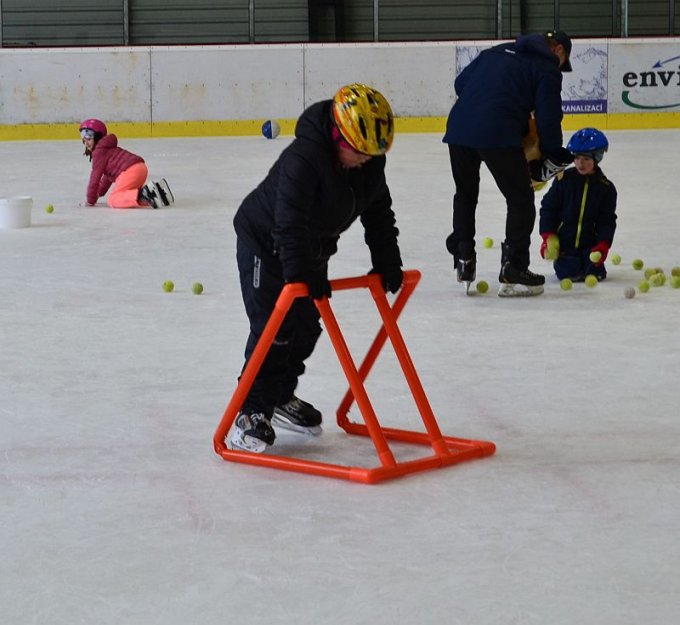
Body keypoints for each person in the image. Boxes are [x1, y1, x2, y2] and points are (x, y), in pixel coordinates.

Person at [229, 83, 403, 453]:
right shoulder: (305, 159)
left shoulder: (368, 163)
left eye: (374, 152)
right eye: (360, 151)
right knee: (273, 329)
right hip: (265, 240)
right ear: (338, 135)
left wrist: (387, 260)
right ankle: (250, 412)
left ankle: (278, 398)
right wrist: (300, 273)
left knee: (306, 328)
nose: (367, 159)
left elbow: (378, 212)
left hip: (309, 248)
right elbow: (287, 221)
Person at [442, 30, 575, 296]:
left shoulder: (496, 51)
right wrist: (553, 155)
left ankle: (464, 258)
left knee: (466, 194)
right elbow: (549, 119)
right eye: (563, 61)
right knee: (520, 199)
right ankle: (514, 266)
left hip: (459, 128)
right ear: (558, 50)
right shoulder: (547, 68)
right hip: (497, 132)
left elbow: (461, 84)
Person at [539, 128, 617, 281]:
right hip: (566, 244)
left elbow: (607, 220)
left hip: (590, 244)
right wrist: (548, 235)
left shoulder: (606, 188)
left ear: (597, 158)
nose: (581, 163)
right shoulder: (563, 180)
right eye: (578, 158)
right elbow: (548, 209)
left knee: (595, 272)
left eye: (587, 159)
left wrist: (603, 244)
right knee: (568, 272)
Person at [79, 118, 173, 209]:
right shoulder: (106, 148)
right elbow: (107, 177)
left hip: (129, 171)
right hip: (141, 168)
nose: (86, 143)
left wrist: (90, 200)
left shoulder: (99, 152)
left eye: (88, 138)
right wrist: (99, 193)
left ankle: (145, 193)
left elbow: (95, 177)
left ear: (98, 136)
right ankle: (157, 193)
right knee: (127, 196)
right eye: (83, 139)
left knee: (113, 199)